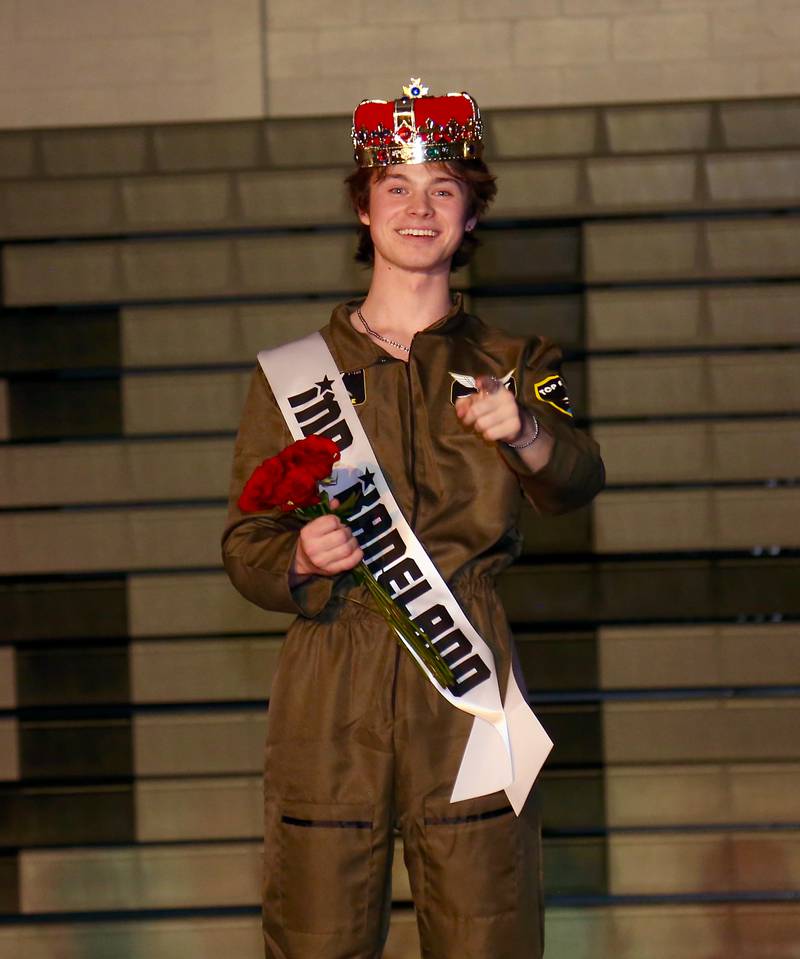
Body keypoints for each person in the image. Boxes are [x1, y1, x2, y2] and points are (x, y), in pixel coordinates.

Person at [222, 79, 604, 959]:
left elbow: (579, 478)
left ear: (472, 214)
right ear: (364, 210)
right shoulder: (292, 375)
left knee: (489, 929)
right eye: (395, 186)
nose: (419, 207)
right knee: (314, 930)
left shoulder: (517, 362)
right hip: (332, 679)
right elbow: (245, 544)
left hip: (467, 666)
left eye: (444, 187)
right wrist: (302, 561)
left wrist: (530, 433)